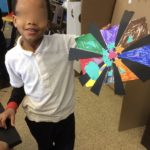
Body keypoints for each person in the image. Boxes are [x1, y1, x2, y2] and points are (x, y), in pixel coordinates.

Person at [0, 0, 77, 150]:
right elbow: (19, 87)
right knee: (44, 146)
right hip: (37, 119)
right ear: (14, 20)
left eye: (38, 15)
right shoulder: (12, 57)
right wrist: (11, 107)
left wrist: (106, 38)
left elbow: (93, 44)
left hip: (66, 116)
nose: (31, 21)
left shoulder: (64, 44)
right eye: (24, 14)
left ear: (48, 22)